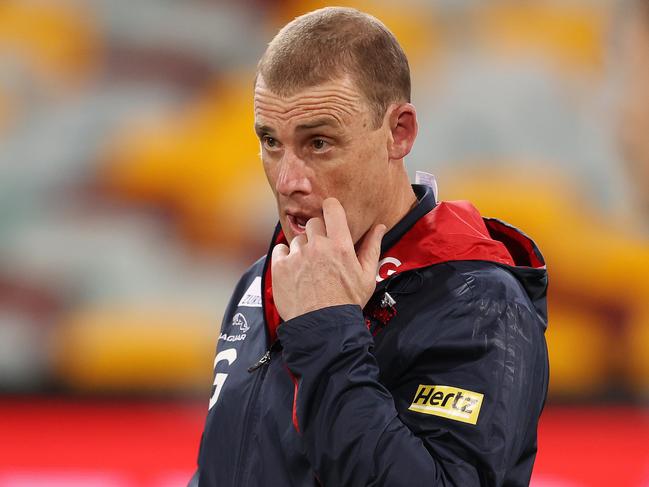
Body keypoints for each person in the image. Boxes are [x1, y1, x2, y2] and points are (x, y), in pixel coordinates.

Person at [191, 7, 548, 487]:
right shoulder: (262, 280)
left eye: (319, 142)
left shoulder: (478, 301)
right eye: (271, 142)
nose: (287, 180)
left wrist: (327, 331)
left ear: (398, 132)